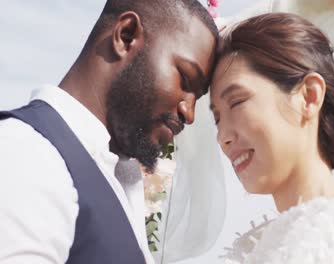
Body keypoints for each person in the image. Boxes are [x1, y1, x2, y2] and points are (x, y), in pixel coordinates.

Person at [0, 0, 217, 263]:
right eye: (184, 79)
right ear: (125, 36)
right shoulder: (28, 153)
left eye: (197, 96)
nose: (189, 113)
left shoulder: (119, 178)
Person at [209, 13, 334, 263]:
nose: (222, 137)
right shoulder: (261, 245)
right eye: (217, 118)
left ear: (309, 96)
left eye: (237, 102)